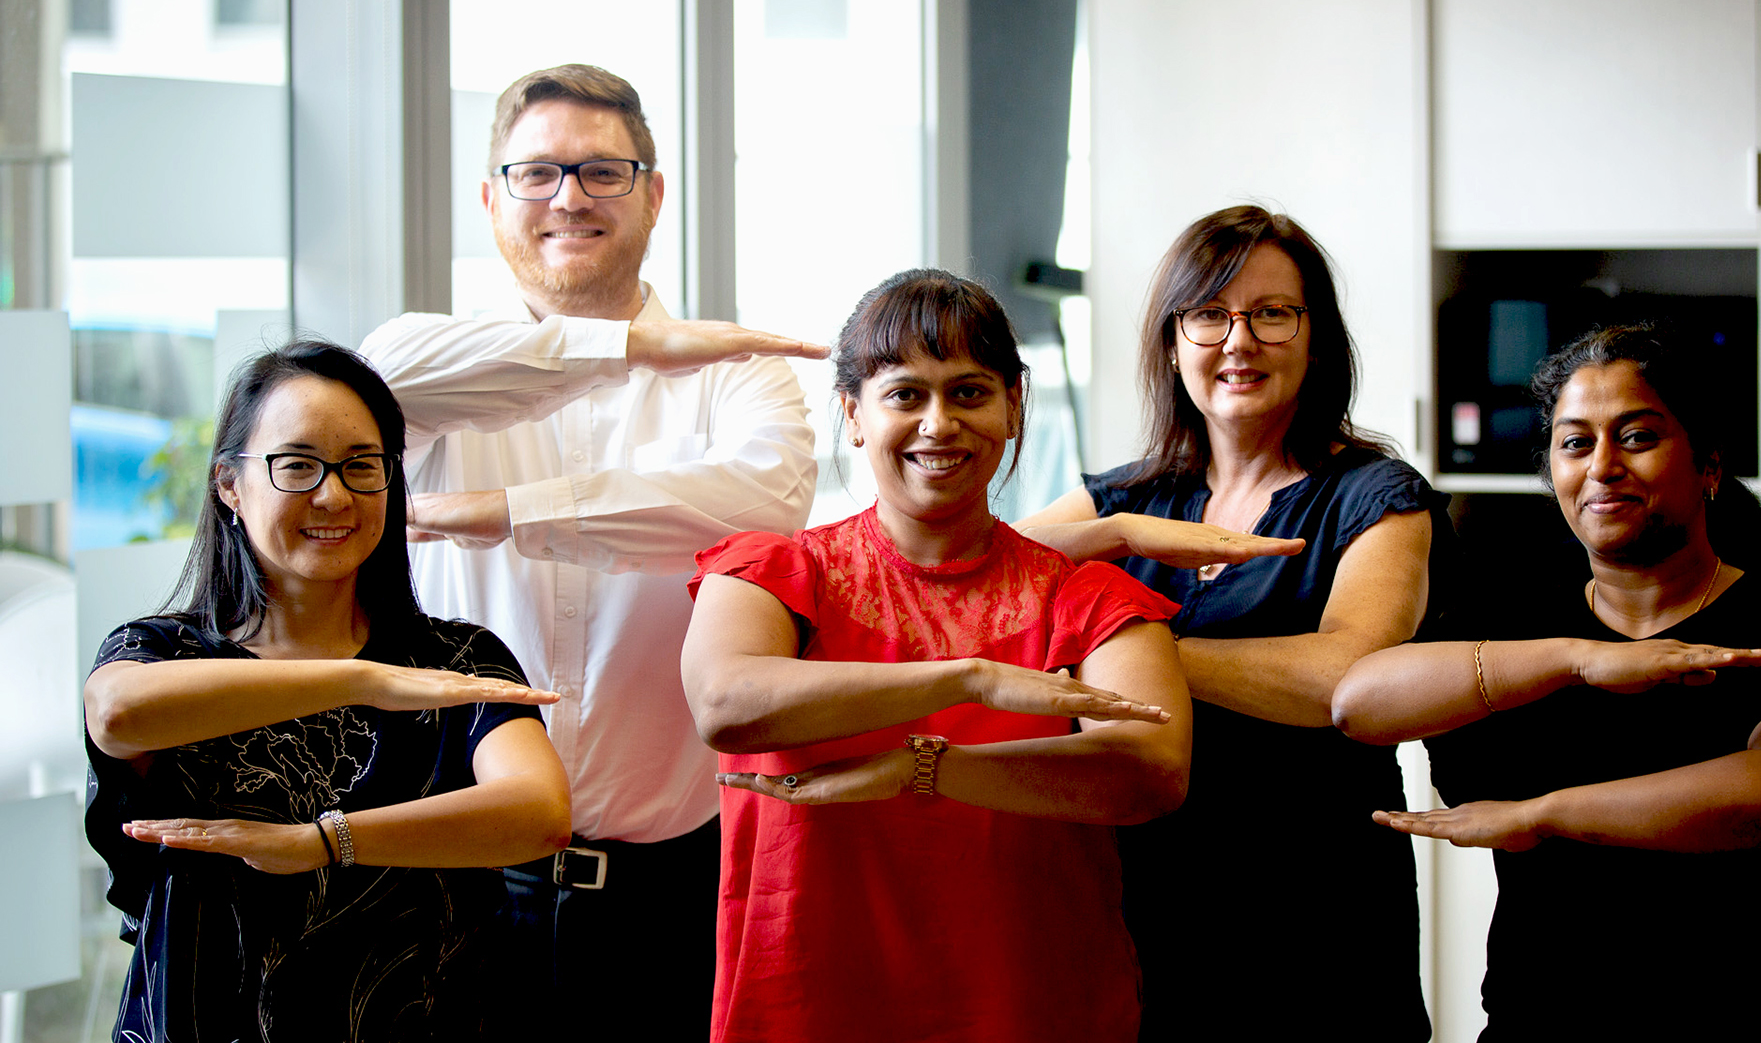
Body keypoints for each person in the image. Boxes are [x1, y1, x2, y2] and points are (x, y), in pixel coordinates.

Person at [358, 64, 823, 1036]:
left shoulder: (737, 373)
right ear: (491, 200)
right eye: (537, 173)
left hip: (670, 890)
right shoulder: (424, 355)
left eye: (603, 172)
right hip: (452, 882)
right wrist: (611, 349)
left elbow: (758, 510)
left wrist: (503, 511)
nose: (569, 196)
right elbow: (371, 386)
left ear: (655, 194)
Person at [1332, 322, 1761, 1042]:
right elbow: (1358, 703)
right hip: (1537, 1026)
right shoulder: (1511, 622)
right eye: (1575, 442)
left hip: (1737, 1027)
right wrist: (1580, 660)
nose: (1602, 466)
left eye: (1636, 437)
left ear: (1710, 465)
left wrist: (1542, 815)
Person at [681, 269, 1192, 1042]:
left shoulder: (1085, 597)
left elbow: (1152, 769)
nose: (939, 424)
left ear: (1015, 406)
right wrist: (972, 680)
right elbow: (726, 703)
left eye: (970, 393)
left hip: (1031, 1007)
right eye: (905, 395)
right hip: (810, 1005)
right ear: (853, 413)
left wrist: (925, 767)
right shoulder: (774, 573)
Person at [1015, 204, 1445, 1039]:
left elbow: (1346, 677)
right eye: (1209, 314)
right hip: (1136, 907)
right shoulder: (1124, 500)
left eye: (1271, 314)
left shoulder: (1378, 499)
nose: (1238, 340)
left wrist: (1132, 654)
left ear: (1315, 339)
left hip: (1315, 919)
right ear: (1173, 343)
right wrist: (1110, 536)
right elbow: (971, 575)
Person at [82, 340, 572, 1043]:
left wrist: (321, 842)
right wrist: (358, 676)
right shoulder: (163, 651)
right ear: (229, 484)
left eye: (361, 466)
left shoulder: (454, 657)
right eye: (297, 465)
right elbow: (119, 714)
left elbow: (538, 811)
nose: (334, 494)